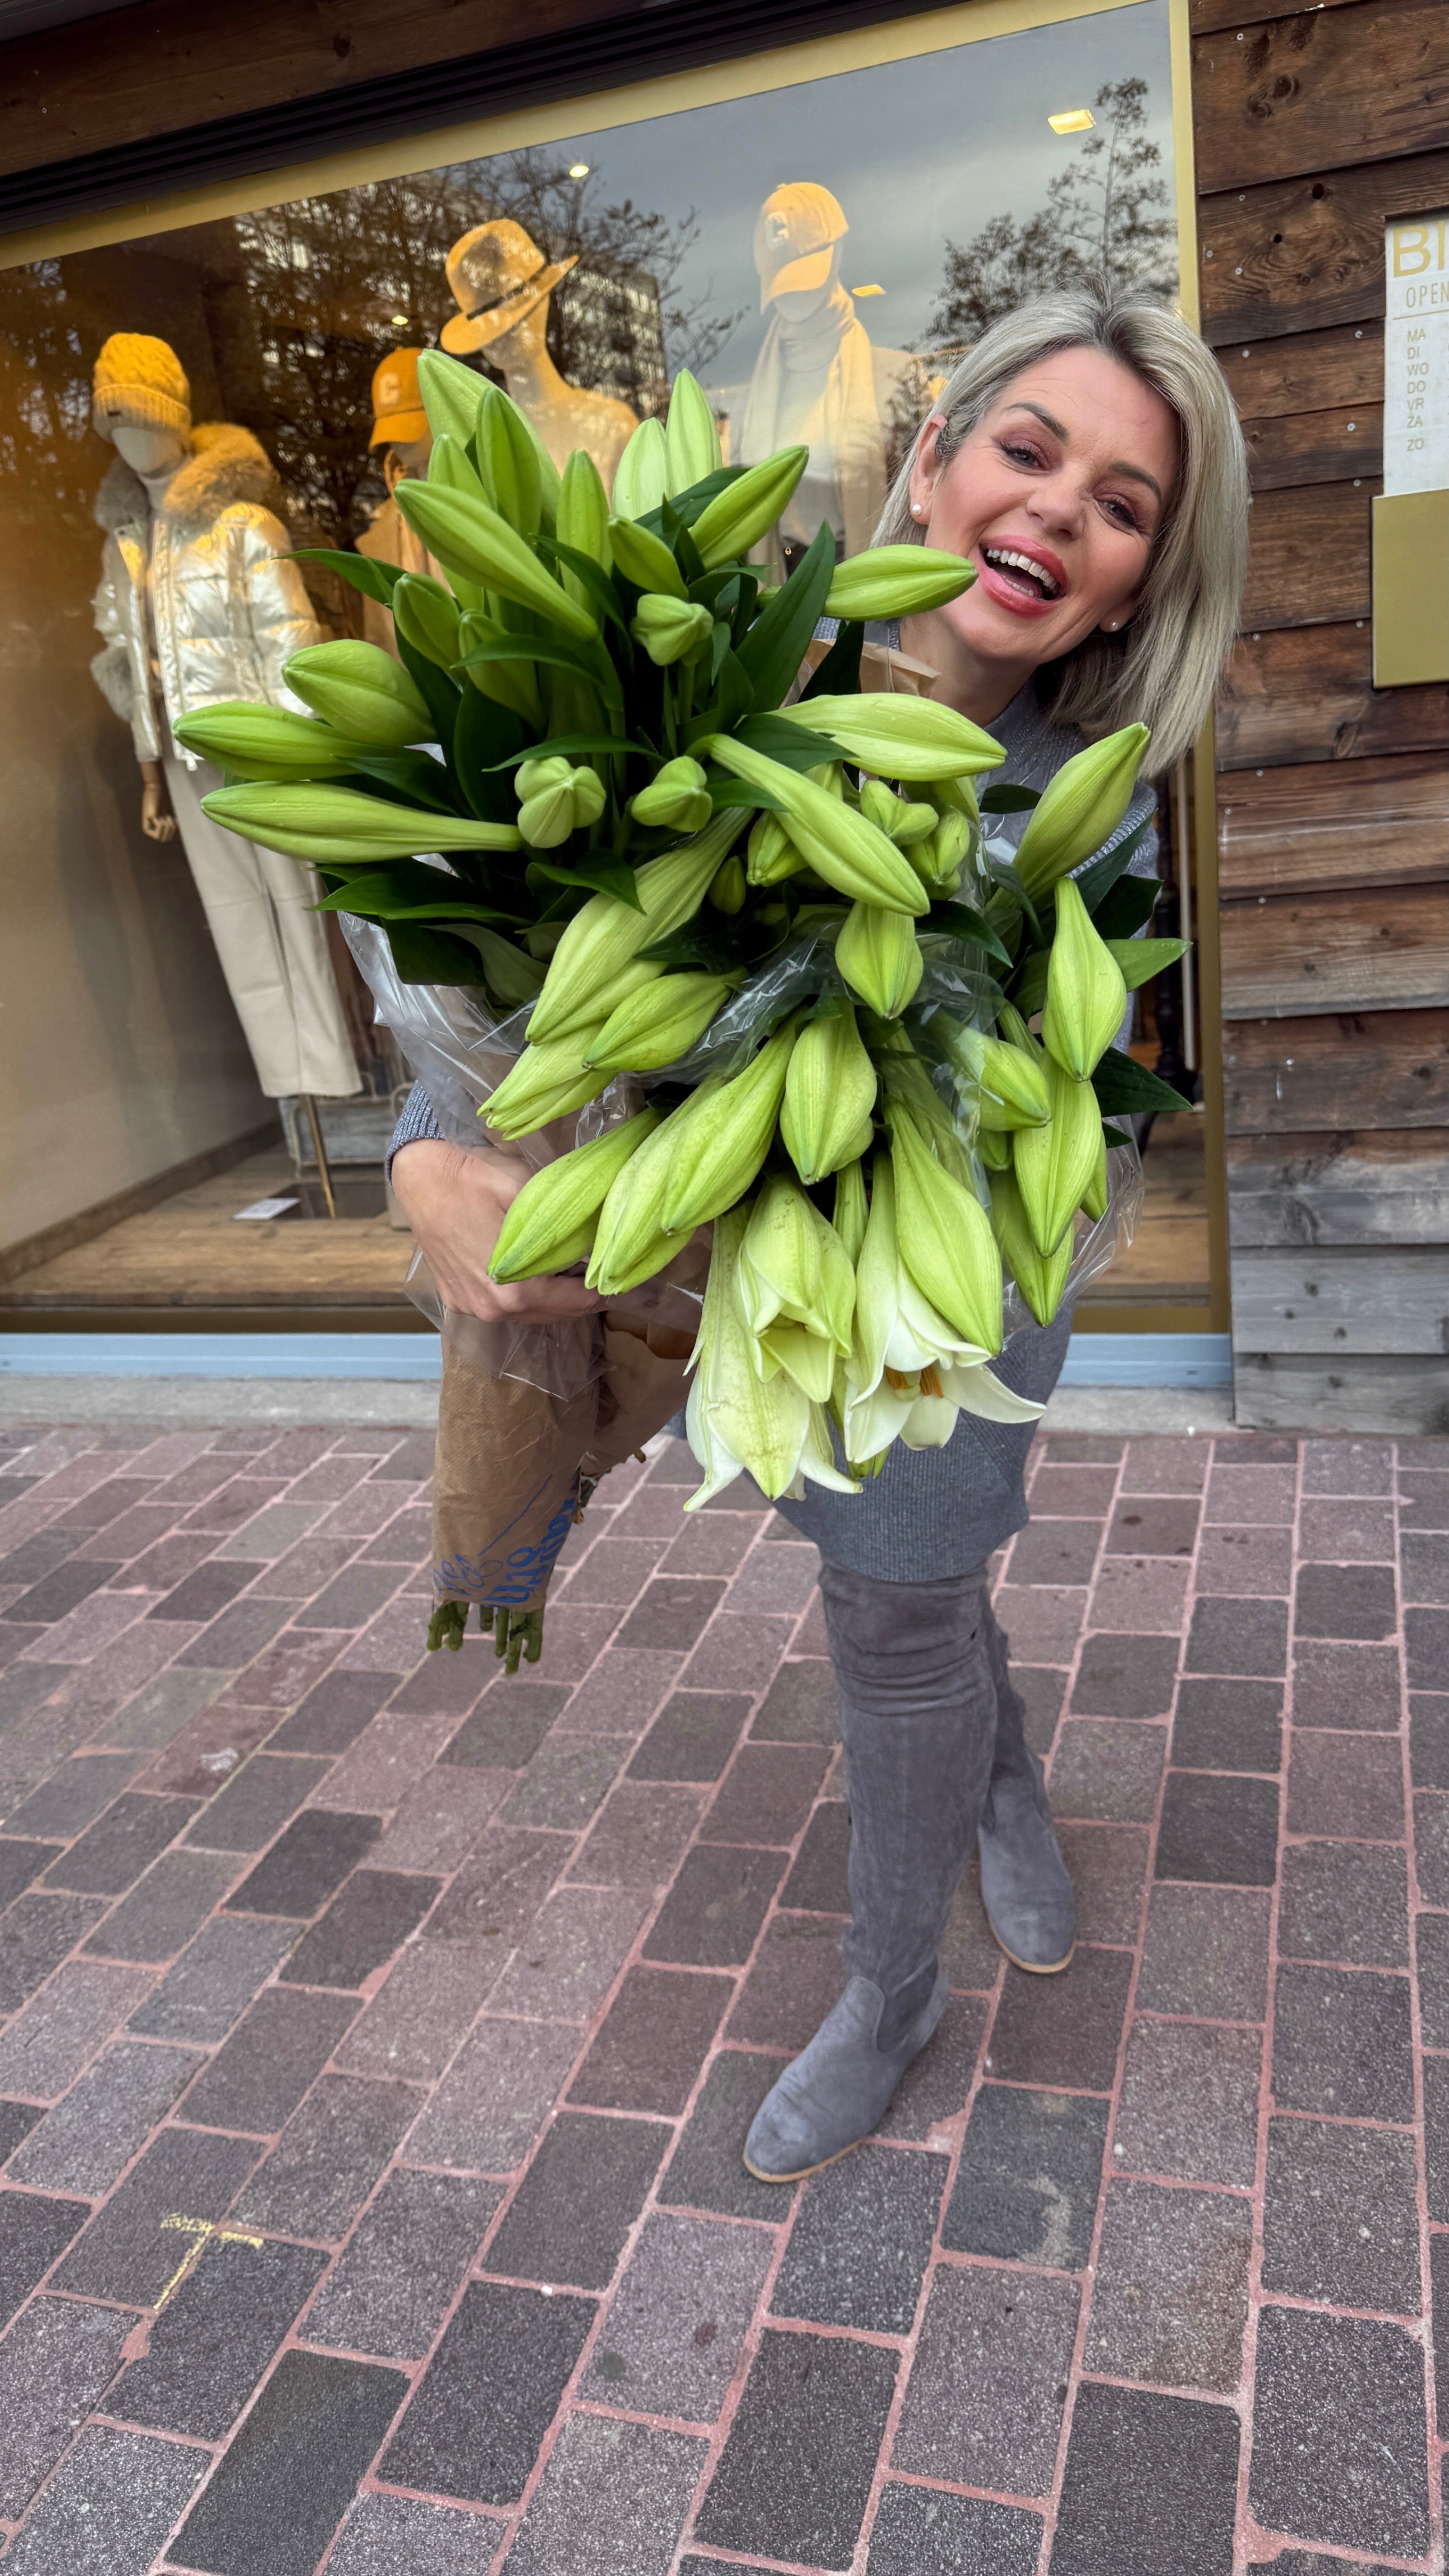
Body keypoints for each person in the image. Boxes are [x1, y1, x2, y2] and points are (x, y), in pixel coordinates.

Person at [387, 283, 1250, 2182]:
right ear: (933, 457)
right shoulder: (704, 680)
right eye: (1030, 451)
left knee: (901, 1609)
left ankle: (892, 1996)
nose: (1059, 515)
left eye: (1124, 507)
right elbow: (479, 970)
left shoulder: (1077, 818)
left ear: (1134, 585)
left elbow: (1050, 1114)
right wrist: (423, 1158)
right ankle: (1010, 1783)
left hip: (959, 1298)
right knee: (898, 1595)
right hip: (730, 1283)